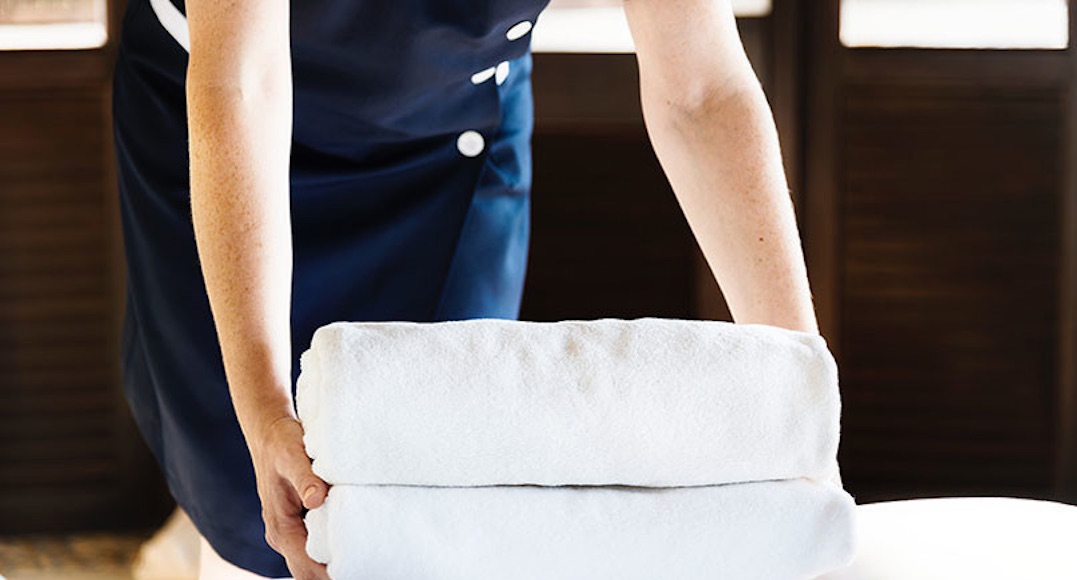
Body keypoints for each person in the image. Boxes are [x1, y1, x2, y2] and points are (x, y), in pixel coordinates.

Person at [112, 0, 819, 577]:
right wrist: (265, 406)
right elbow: (243, 81)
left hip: (453, 129)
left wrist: (800, 389)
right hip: (226, 108)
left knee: (436, 488)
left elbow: (700, 90)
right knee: (253, 504)